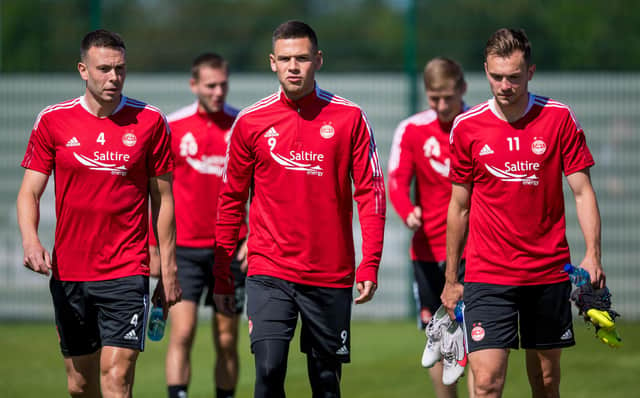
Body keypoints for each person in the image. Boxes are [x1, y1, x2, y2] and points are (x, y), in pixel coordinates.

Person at [212, 20, 386, 398]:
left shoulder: (349, 117)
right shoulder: (250, 121)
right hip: (269, 269)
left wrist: (369, 262)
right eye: (286, 58)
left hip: (330, 273)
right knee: (269, 370)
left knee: (325, 383)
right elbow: (230, 198)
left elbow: (370, 192)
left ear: (318, 60)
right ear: (272, 62)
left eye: (303, 58)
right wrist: (223, 272)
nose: (294, 66)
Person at [16, 29, 182, 398]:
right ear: (83, 70)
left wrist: (168, 267)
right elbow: (29, 191)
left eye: (120, 69)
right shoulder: (52, 121)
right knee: (80, 385)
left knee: (117, 376)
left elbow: (164, 199)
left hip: (127, 269)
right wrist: (30, 240)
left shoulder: (150, 121)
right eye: (104, 69)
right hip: (71, 270)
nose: (113, 77)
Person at [442, 28, 604, 398]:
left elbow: (582, 192)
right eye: (496, 76)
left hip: (547, 271)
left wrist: (593, 255)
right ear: (485, 70)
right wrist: (452, 278)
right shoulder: (466, 128)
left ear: (530, 71)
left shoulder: (559, 118)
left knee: (546, 382)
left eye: (514, 76)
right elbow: (459, 206)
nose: (504, 85)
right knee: (486, 382)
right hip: (487, 274)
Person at [148, 52, 248, 398]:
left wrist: (254, 238)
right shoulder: (173, 127)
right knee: (182, 332)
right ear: (194, 85)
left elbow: (262, 189)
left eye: (223, 84)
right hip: (185, 251)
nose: (218, 91)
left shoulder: (243, 125)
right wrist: (156, 248)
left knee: (226, 338)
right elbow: (157, 192)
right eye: (210, 85)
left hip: (230, 250)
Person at [388, 57, 473, 398]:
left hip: (474, 251)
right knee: (438, 340)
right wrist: (407, 211)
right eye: (433, 98)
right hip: (426, 251)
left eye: (447, 97)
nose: (440, 105)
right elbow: (396, 179)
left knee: (475, 339)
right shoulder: (411, 129)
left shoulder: (477, 124)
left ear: (462, 89)